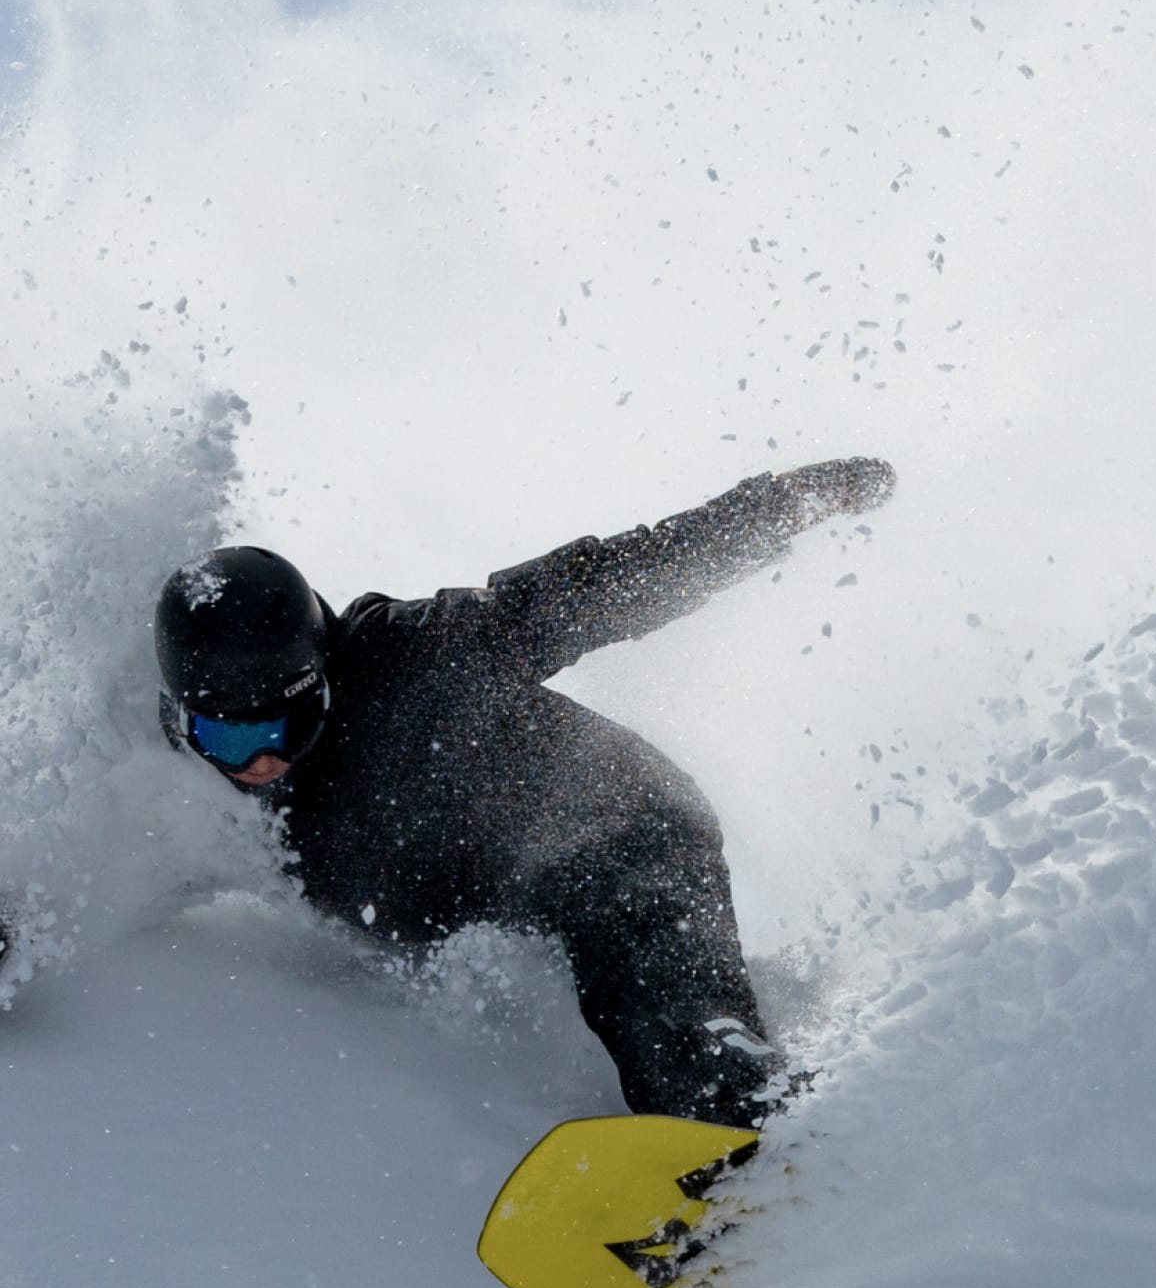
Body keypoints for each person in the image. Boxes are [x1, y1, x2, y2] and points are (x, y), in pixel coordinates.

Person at [154, 459, 896, 1126]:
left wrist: (782, 507)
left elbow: (601, 588)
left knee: (648, 986)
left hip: (614, 828)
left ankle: (739, 1109)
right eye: (227, 740)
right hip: (487, 894)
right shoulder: (180, 764)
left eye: (287, 726)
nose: (260, 763)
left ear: (322, 678)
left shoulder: (417, 662)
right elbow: (106, 841)